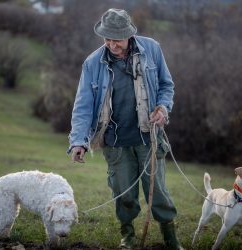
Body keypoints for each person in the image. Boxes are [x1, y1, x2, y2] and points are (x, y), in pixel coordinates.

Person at [68, 8, 184, 250]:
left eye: (117, 40)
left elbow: (166, 85)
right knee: (124, 194)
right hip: (115, 142)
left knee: (159, 192)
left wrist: (163, 108)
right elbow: (83, 107)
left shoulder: (151, 49)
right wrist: (79, 141)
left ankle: (171, 241)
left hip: (148, 138)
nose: (112, 45)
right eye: (107, 39)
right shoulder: (92, 63)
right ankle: (128, 238)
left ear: (129, 35)